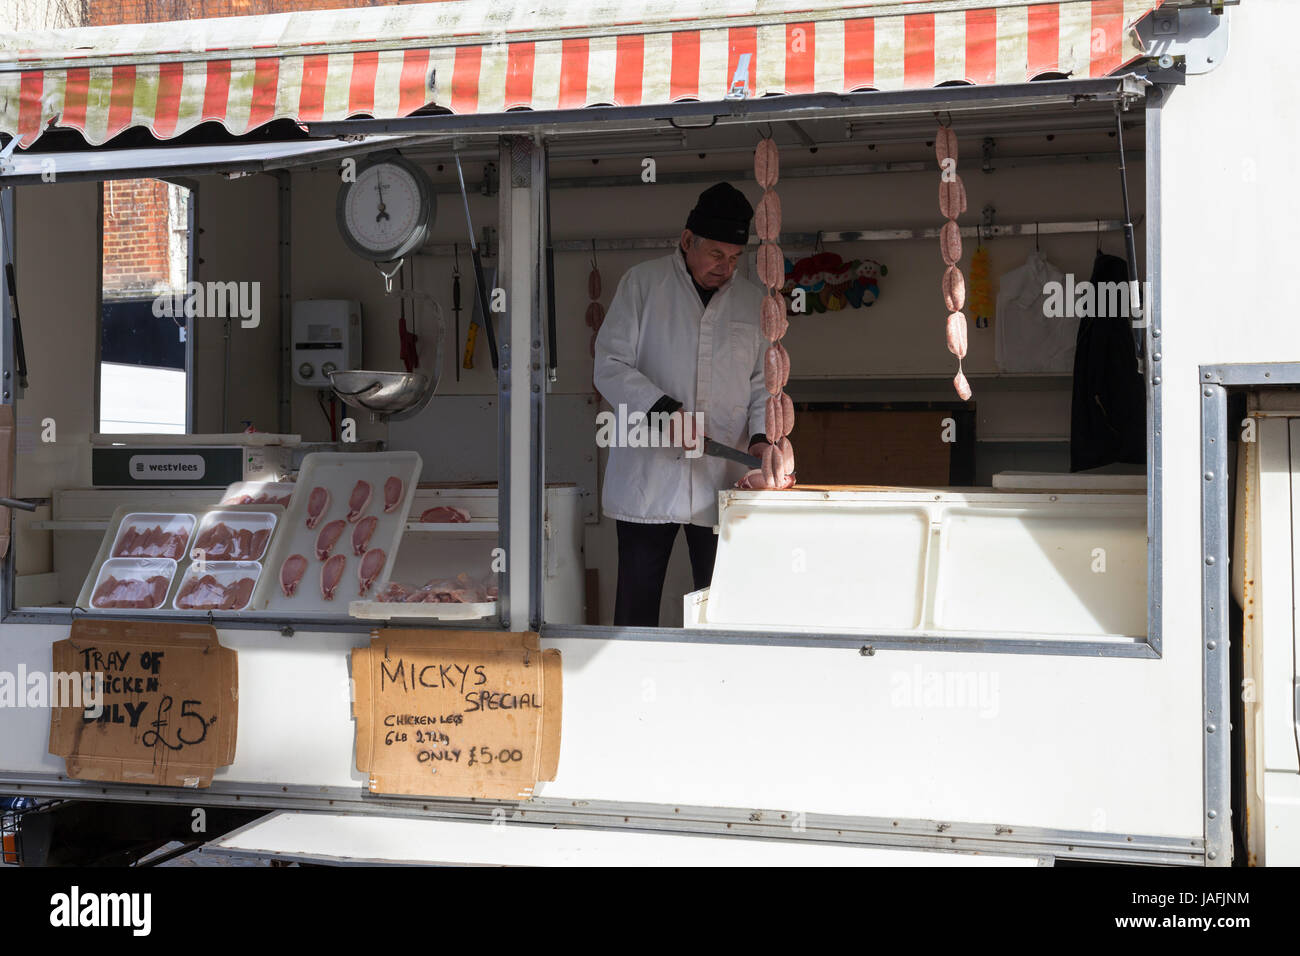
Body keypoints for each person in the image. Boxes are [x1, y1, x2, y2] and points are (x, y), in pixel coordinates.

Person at [594, 182, 771, 626]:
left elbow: (763, 384)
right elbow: (609, 364)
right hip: (647, 474)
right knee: (636, 605)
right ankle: (631, 681)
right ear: (687, 240)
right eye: (716, 255)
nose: (725, 268)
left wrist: (761, 438)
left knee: (721, 607)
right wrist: (662, 409)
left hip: (722, 478)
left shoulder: (753, 302)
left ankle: (717, 687)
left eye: (734, 258)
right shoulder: (643, 283)